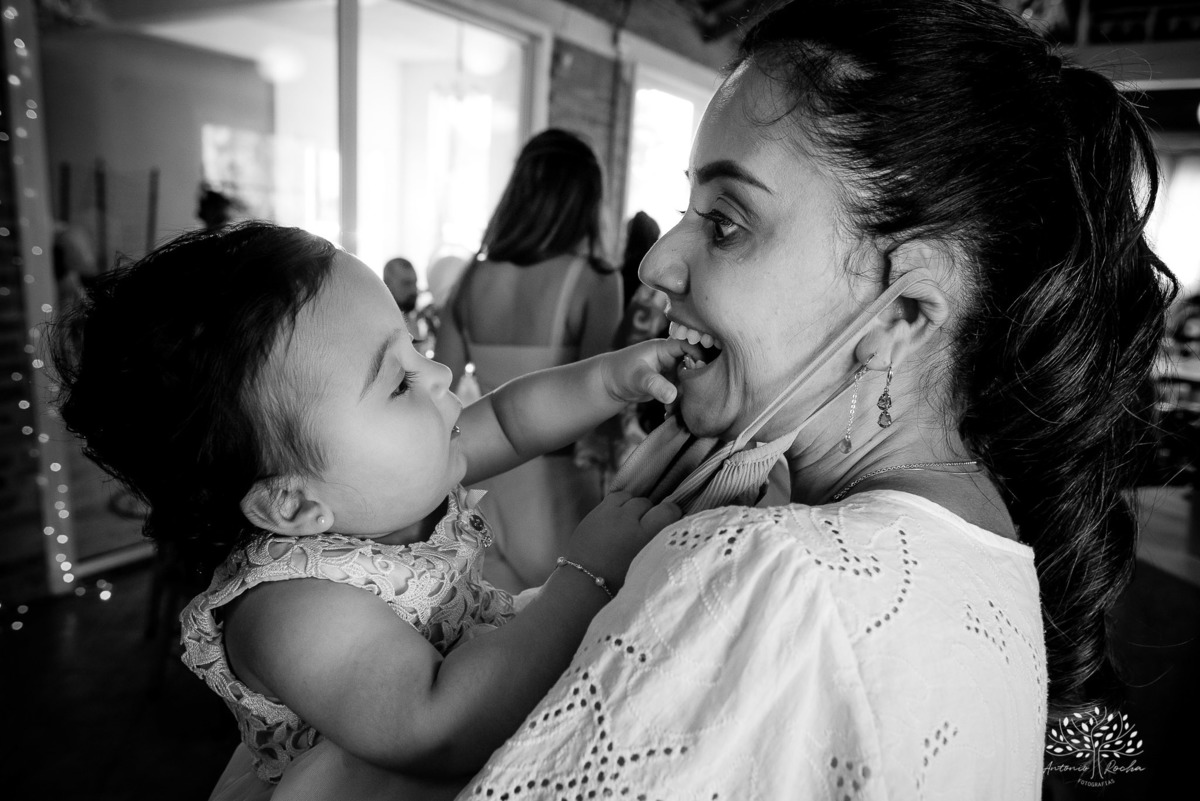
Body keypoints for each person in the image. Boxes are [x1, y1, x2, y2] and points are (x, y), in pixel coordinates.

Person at [463, 0, 1176, 797]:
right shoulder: (998, 563)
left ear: (904, 312)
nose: (658, 263)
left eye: (727, 222)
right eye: (684, 211)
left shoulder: (778, 574)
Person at [49, 221, 688, 800]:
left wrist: (609, 381)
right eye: (399, 381)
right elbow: (437, 725)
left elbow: (513, 420)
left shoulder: (377, 486)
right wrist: (586, 575)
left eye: (415, 346)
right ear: (293, 502)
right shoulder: (292, 608)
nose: (438, 372)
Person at [435, 128, 624, 593]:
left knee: (484, 624)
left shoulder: (472, 278)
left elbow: (437, 391)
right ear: (584, 200)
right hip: (557, 489)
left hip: (483, 481)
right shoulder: (595, 281)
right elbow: (599, 407)